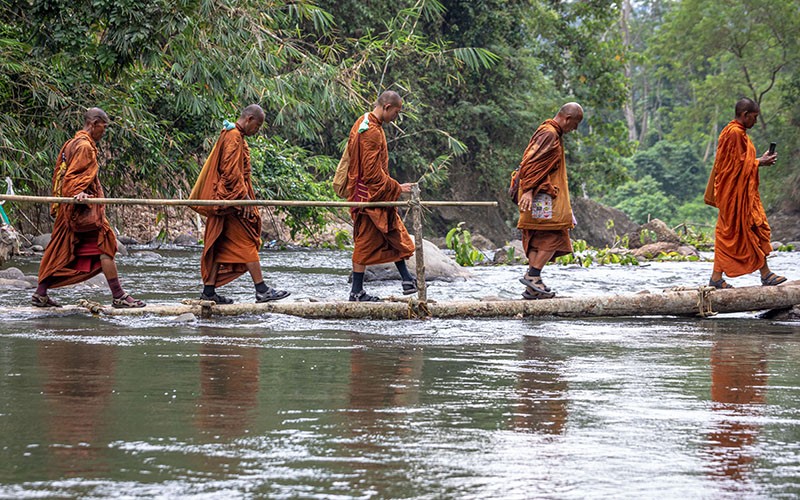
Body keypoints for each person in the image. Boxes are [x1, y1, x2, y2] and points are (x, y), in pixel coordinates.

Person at [32, 108, 145, 308]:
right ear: (94, 123)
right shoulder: (84, 146)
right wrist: (79, 193)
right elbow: (72, 178)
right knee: (106, 244)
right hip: (81, 209)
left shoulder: (71, 143)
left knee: (59, 248)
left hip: (69, 208)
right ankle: (119, 296)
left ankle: (40, 293)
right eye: (104, 126)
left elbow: (63, 175)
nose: (104, 131)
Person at [190, 104, 290, 304]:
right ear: (249, 119)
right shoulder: (234, 136)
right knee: (247, 241)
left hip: (228, 201)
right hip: (232, 202)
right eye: (257, 126)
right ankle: (261, 289)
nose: (257, 130)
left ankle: (209, 292)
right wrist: (244, 198)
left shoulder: (233, 135)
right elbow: (230, 172)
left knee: (218, 243)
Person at [705, 98, 785, 289]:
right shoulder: (734, 133)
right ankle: (763, 275)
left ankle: (722, 278)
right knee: (736, 232)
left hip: (740, 194)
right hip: (733, 195)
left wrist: (758, 161)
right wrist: (759, 162)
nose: (755, 121)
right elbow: (733, 167)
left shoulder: (736, 132)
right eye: (754, 117)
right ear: (744, 115)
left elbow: (740, 162)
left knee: (752, 229)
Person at [345, 90, 416, 302]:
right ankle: (356, 292)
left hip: (367, 193)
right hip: (369, 196)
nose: (396, 117)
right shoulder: (371, 132)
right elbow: (371, 174)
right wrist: (396, 187)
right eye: (396, 112)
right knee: (365, 241)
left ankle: (407, 280)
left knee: (391, 231)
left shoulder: (363, 121)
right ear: (387, 107)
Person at [515, 102, 584, 299]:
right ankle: (533, 275)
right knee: (556, 236)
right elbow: (531, 162)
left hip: (540, 195)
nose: (574, 129)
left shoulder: (549, 132)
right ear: (567, 119)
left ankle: (532, 288)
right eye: (575, 124)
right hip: (540, 195)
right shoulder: (549, 133)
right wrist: (528, 190)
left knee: (539, 238)